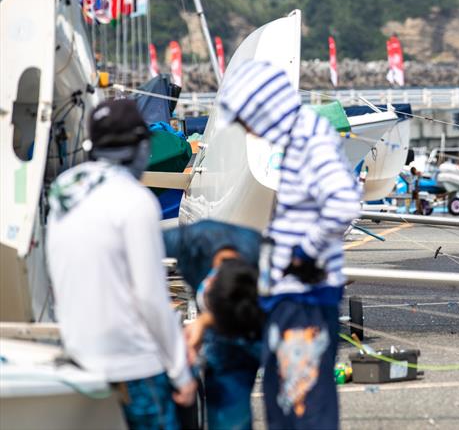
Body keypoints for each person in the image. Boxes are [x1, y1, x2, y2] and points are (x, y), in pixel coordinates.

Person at [217, 60, 361, 430]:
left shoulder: (308, 139)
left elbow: (344, 201)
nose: (247, 129)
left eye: (247, 119)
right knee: (287, 401)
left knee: (302, 406)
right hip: (291, 298)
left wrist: (304, 253)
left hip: (303, 300)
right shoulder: (301, 136)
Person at [47, 100, 196, 429]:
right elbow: (150, 297)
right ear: (141, 147)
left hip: (79, 355)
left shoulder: (63, 191)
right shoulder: (134, 199)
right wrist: (181, 373)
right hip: (132, 363)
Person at [162, 220, 264, 430]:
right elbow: (134, 248)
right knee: (230, 418)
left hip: (260, 324)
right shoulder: (189, 241)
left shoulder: (266, 257)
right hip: (222, 337)